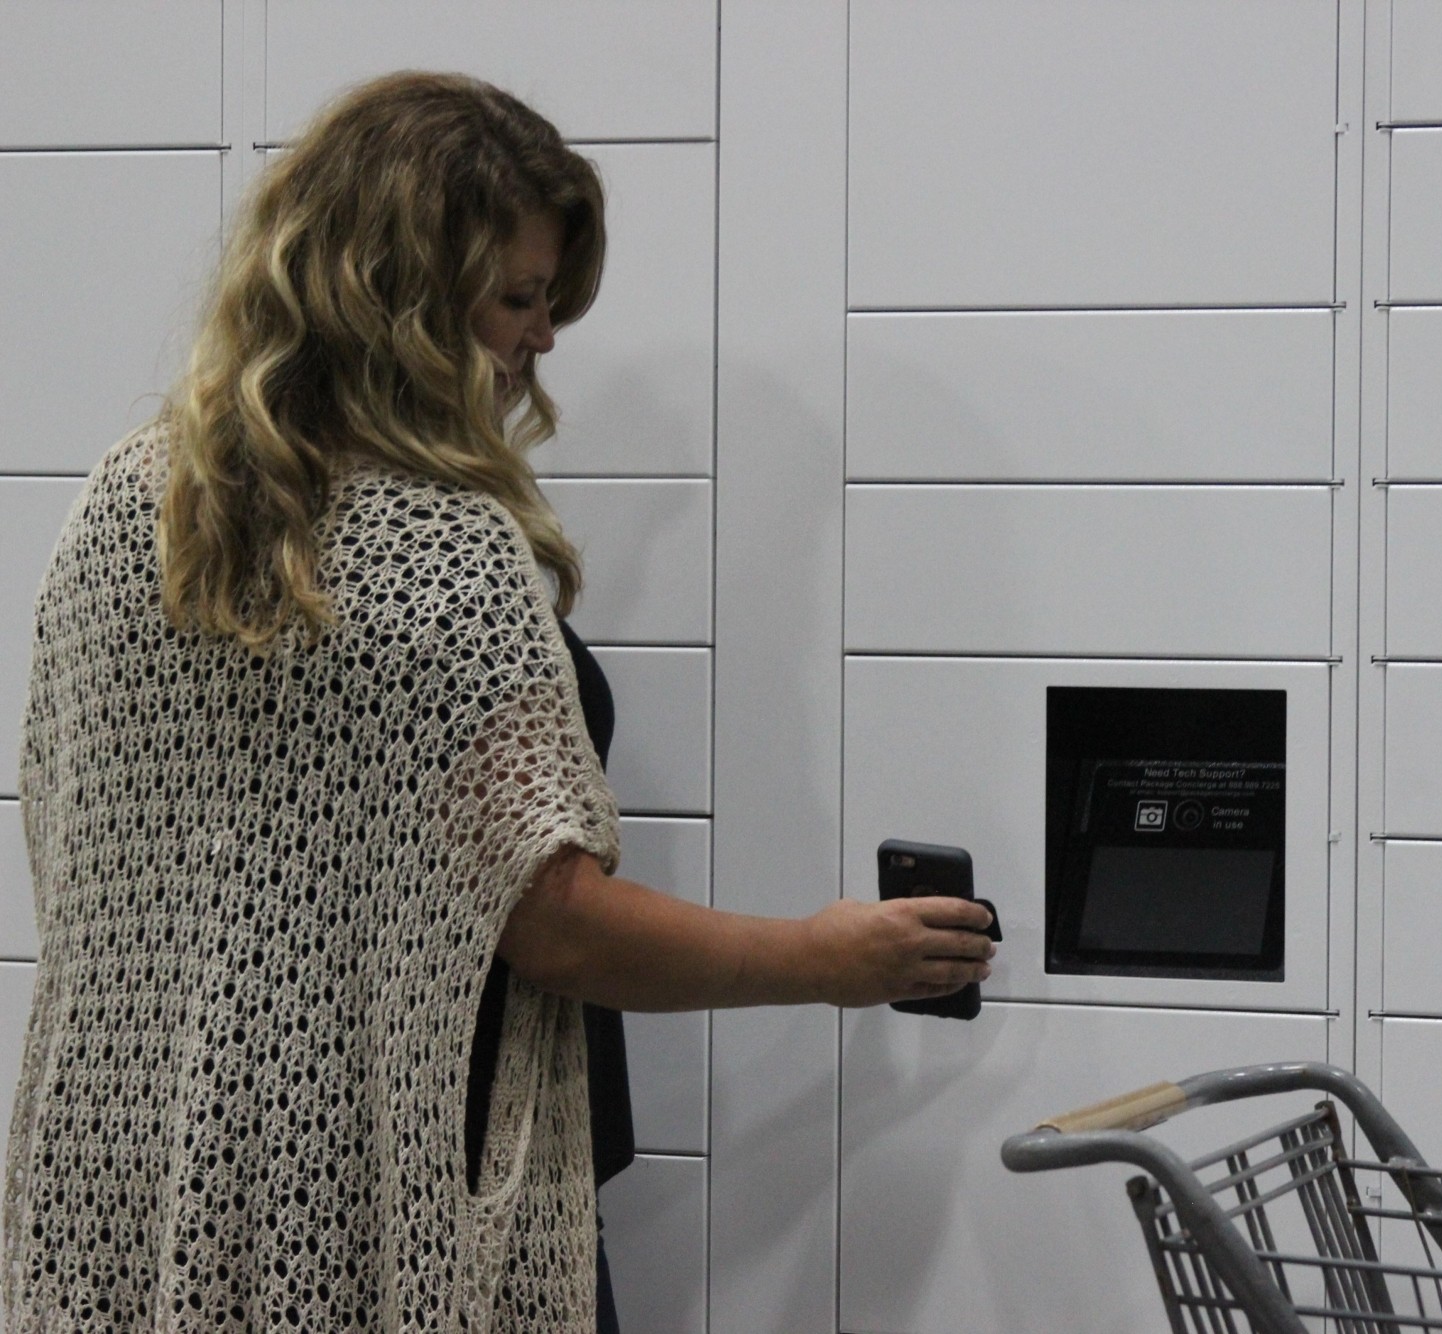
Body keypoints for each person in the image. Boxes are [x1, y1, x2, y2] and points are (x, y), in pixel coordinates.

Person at [4, 71, 995, 1331]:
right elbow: (555, 925)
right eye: (519, 298)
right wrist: (826, 957)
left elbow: (63, 817)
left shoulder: (124, 502)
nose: (540, 338)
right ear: (400, 297)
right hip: (385, 1169)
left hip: (136, 1143)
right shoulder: (446, 550)